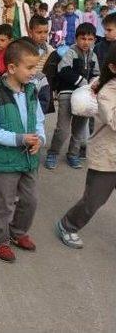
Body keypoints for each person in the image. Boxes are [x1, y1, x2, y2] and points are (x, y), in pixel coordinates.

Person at [0, 37, 46, 262]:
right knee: (5, 204)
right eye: (29, 68)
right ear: (11, 68)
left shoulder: (31, 91)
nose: (33, 73)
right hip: (5, 161)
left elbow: (38, 121)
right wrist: (19, 139)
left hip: (29, 159)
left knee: (31, 200)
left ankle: (18, 233)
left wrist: (40, 139)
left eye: (35, 68)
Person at [55, 42, 116, 249]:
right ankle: (67, 225)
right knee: (93, 201)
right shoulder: (107, 91)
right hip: (107, 158)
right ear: (113, 68)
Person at [45, 23, 100, 170]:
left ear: (94, 40)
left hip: (85, 98)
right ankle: (53, 153)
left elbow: (96, 75)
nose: (86, 42)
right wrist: (82, 81)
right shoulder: (71, 52)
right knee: (62, 129)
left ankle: (73, 154)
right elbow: (63, 70)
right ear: (76, 39)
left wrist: (94, 84)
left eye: (90, 39)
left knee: (79, 129)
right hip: (67, 94)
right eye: (83, 38)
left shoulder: (93, 55)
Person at [27, 15, 56, 114]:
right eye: (39, 32)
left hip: (41, 89)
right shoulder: (22, 48)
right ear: (30, 32)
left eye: (46, 32)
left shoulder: (50, 51)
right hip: (25, 87)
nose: (43, 35)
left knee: (39, 119)